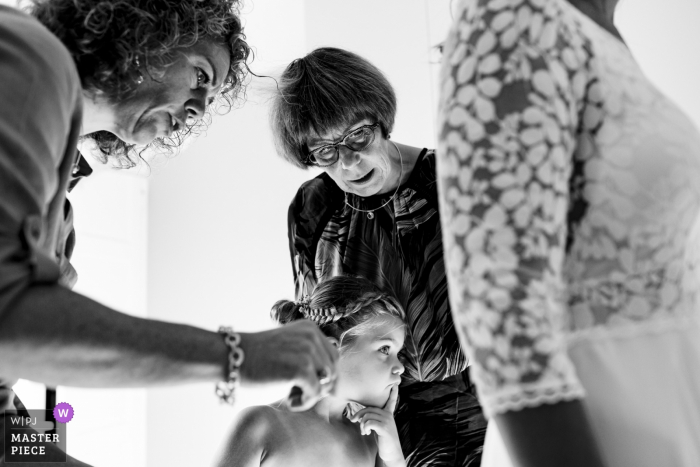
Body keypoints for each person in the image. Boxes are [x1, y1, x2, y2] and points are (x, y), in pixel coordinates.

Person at [0, 2, 337, 464]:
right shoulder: (31, 56)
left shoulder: (61, 204)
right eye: (201, 75)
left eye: (211, 98)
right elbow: (10, 325)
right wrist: (240, 355)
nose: (198, 109)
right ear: (143, 31)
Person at [437, 0, 700, 466]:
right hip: (603, 431)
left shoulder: (598, 32)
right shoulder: (513, 14)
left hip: (669, 410)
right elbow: (499, 308)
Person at [271, 47, 486, 466]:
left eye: (357, 136)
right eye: (326, 151)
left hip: (481, 404)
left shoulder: (455, 182)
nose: (349, 162)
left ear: (380, 118)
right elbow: (317, 327)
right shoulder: (311, 208)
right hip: (368, 424)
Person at [217, 275, 407, 467]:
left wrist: (394, 458)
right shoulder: (262, 426)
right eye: (385, 349)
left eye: (398, 354)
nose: (400, 367)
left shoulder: (370, 442)